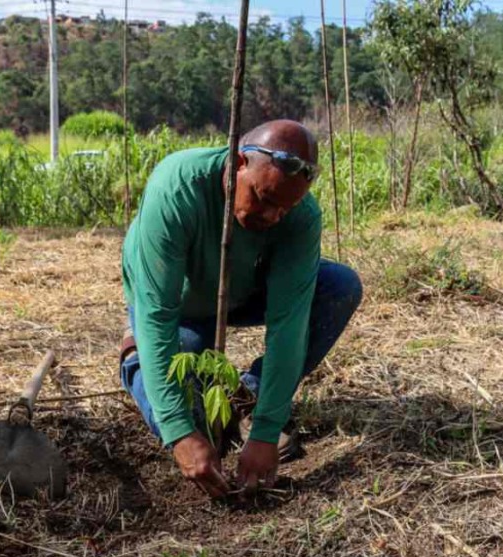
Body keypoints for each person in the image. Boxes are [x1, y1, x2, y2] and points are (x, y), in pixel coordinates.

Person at [118, 119, 362, 498]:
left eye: (284, 208)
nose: (271, 216)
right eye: (263, 199)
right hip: (178, 303)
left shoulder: (300, 216)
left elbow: (288, 326)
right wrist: (180, 431)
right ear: (238, 163)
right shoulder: (177, 188)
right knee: (188, 419)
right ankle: (135, 359)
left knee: (339, 286)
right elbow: (158, 313)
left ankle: (246, 396)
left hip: (243, 290)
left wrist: (266, 429)